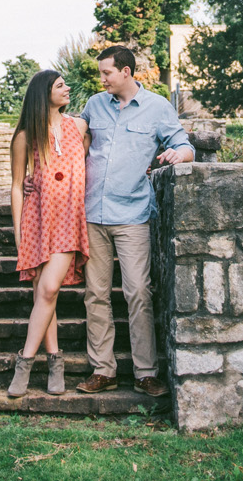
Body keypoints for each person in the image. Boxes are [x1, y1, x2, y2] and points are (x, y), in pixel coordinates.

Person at [76, 45, 193, 398]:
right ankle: (103, 370)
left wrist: (177, 154)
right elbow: (70, 143)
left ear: (126, 72)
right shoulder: (94, 105)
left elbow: (186, 146)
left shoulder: (158, 107)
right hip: (92, 213)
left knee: (138, 292)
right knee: (95, 294)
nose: (102, 80)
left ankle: (145, 373)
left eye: (107, 73)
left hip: (132, 215)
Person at [7, 68, 89, 398]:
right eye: (60, 85)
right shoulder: (26, 136)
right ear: (44, 93)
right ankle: (56, 362)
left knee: (49, 287)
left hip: (70, 218)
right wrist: (18, 233)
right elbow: (16, 186)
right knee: (43, 292)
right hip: (37, 220)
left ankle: (24, 362)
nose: (67, 89)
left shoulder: (80, 127)